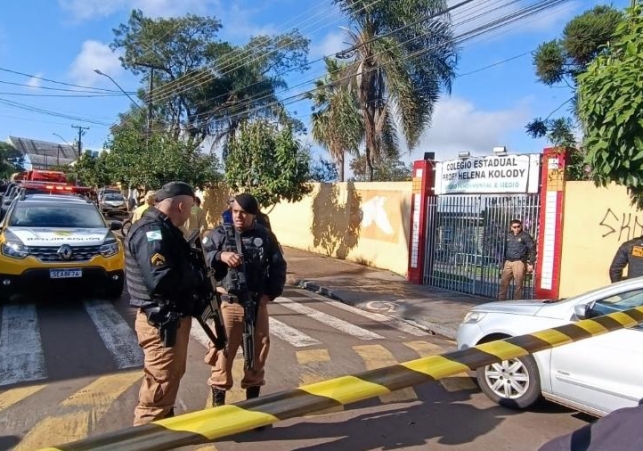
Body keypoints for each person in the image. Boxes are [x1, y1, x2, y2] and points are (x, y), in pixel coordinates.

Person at [125, 181, 202, 426]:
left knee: (169, 378)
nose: (190, 214)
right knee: (158, 388)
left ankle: (162, 428)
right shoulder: (153, 231)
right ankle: (146, 436)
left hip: (169, 320)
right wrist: (197, 277)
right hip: (161, 324)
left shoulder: (164, 228)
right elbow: (161, 281)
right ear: (181, 205)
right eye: (189, 208)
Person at [204, 193, 286, 409]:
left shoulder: (266, 236)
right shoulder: (219, 234)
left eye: (244, 213)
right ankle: (218, 405)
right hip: (229, 303)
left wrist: (270, 294)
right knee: (224, 351)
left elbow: (278, 266)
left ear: (253, 215)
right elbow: (202, 257)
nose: (239, 216)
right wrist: (220, 255)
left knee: (258, 350)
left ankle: (253, 403)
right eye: (235, 212)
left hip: (256, 302)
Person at [498, 219, 536, 301]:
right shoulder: (508, 235)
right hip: (508, 262)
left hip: (519, 262)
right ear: (511, 228)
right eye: (514, 227)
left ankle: (516, 302)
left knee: (519, 285)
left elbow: (532, 249)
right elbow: (505, 249)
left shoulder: (525, 236)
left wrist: (531, 263)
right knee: (503, 283)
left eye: (518, 227)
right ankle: (500, 301)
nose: (517, 229)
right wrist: (503, 262)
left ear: (521, 226)